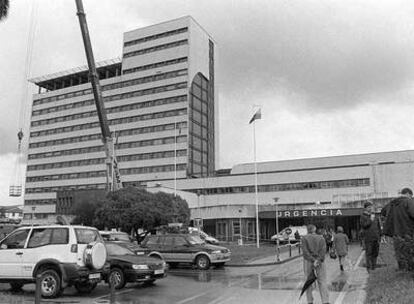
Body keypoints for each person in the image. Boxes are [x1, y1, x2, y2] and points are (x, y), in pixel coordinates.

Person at [381, 187, 414, 271]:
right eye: (411, 196)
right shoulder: (408, 201)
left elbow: (383, 211)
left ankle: (402, 269)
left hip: (395, 232)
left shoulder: (392, 203)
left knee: (399, 251)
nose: (411, 197)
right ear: (408, 194)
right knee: (409, 251)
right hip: (408, 231)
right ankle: (409, 270)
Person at [302, 224, 330, 304]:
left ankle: (310, 301)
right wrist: (317, 260)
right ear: (315, 230)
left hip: (308, 262)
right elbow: (323, 250)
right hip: (320, 262)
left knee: (309, 281)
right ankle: (325, 301)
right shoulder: (321, 238)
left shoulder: (304, 238)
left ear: (308, 230)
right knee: (322, 281)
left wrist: (312, 260)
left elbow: (305, 251)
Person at [360, 201, 381, 272]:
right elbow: (364, 225)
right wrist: (370, 220)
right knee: (369, 253)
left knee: (375, 253)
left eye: (371, 207)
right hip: (368, 238)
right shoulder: (363, 216)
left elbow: (378, 226)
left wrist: (380, 235)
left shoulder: (375, 216)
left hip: (376, 237)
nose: (370, 208)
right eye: (369, 207)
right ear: (365, 208)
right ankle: (368, 268)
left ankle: (374, 267)